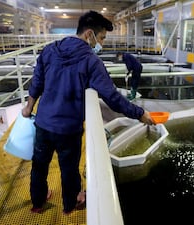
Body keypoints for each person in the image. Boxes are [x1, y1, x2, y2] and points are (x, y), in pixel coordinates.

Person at [21, 10, 154, 214]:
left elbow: (37, 82)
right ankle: (69, 207)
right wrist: (139, 113)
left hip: (43, 123)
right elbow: (112, 97)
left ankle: (37, 204)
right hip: (68, 129)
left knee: (39, 166)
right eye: (101, 38)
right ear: (89, 34)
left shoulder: (49, 50)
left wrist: (29, 107)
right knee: (68, 170)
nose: (100, 43)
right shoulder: (91, 61)